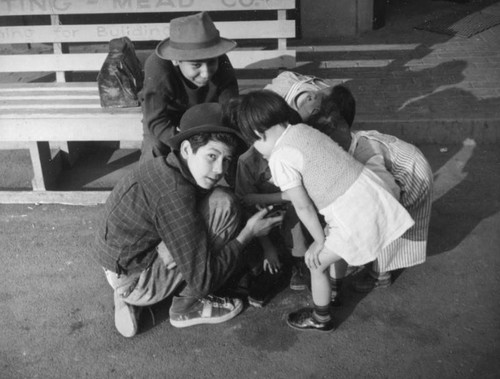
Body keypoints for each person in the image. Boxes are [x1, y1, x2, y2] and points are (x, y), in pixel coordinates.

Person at [92, 103, 283, 338]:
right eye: (212, 156)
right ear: (186, 149)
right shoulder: (173, 192)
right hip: (135, 279)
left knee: (219, 202)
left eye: (226, 160)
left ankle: (130, 296)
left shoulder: (167, 165)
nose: (219, 169)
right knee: (224, 205)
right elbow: (204, 279)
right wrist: (248, 234)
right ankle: (186, 306)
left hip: (122, 263)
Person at [235, 90, 414, 332]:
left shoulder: (280, 158)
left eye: (254, 142)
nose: (257, 150)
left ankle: (320, 318)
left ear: (258, 133)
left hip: (350, 212)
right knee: (334, 244)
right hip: (369, 196)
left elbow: (303, 205)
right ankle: (336, 290)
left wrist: (318, 242)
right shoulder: (303, 131)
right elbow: (302, 192)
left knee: (316, 262)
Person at [307, 84, 433, 293]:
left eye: (325, 138)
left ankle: (380, 275)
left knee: (383, 220)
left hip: (413, 178)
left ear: (336, 126)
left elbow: (386, 198)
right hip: (406, 167)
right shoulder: (351, 139)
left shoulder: (366, 156)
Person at [222, 98, 310, 305]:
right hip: (267, 216)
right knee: (245, 220)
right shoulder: (248, 160)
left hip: (297, 210)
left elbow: (301, 196)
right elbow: (248, 203)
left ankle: (299, 260)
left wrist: (265, 197)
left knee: (296, 213)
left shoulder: (297, 149)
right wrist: (267, 248)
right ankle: (265, 265)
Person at [139, 11, 239, 162]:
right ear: (175, 60)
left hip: (205, 114)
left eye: (211, 62)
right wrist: (184, 143)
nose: (206, 73)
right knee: (154, 147)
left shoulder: (222, 63)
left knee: (231, 146)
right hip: (168, 116)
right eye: (196, 65)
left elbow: (230, 112)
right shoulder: (158, 67)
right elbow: (156, 120)